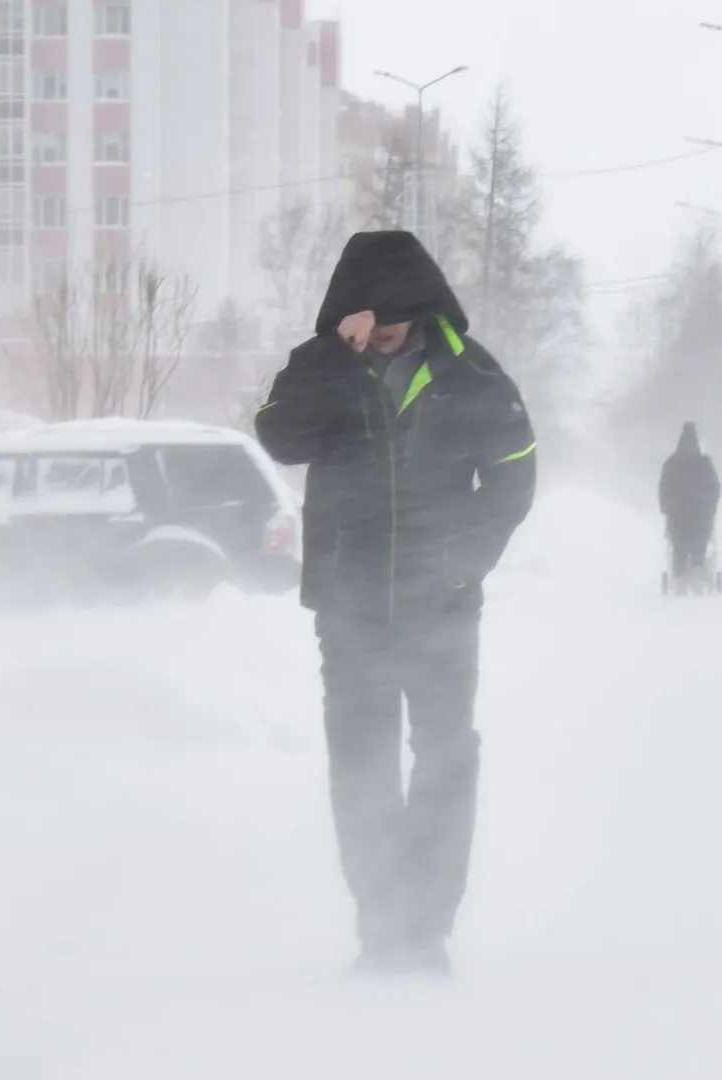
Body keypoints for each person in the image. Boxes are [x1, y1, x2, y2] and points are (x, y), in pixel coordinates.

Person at [254, 231, 537, 976]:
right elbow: (280, 437)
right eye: (365, 312)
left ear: (420, 304)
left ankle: (427, 927)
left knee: (445, 757)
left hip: (441, 610)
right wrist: (334, 358)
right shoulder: (322, 365)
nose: (379, 325)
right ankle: (381, 927)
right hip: (349, 610)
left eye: (392, 311)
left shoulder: (471, 376)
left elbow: (514, 476)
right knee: (361, 765)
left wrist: (459, 564)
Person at [658, 421, 721, 582]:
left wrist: (665, 507)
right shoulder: (704, 463)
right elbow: (714, 487)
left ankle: (679, 575)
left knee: (679, 545)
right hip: (702, 515)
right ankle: (698, 571)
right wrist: (711, 506)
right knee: (700, 543)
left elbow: (663, 488)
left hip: (677, 516)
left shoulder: (671, 464)